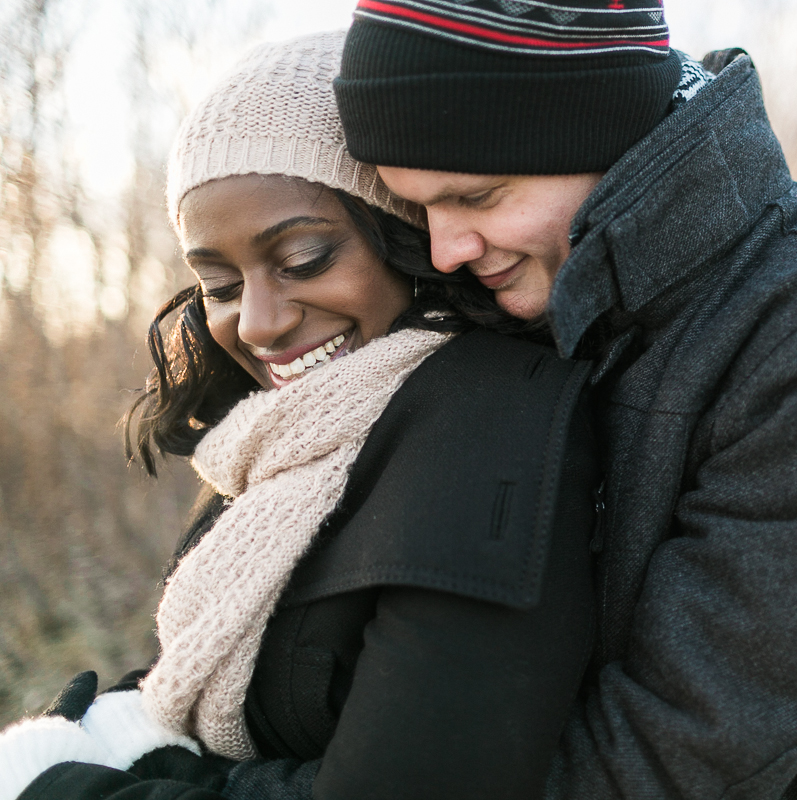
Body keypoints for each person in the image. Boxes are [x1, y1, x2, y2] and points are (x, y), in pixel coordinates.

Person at [332, 2, 797, 798]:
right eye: (417, 206)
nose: (446, 249)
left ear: (603, 132)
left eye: (476, 196)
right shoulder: (523, 292)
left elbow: (677, 759)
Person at [0, 31, 598, 800]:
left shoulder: (494, 429)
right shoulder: (287, 433)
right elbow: (240, 663)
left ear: (408, 238)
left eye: (304, 259)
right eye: (219, 284)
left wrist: (60, 788)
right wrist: (120, 720)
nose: (255, 323)